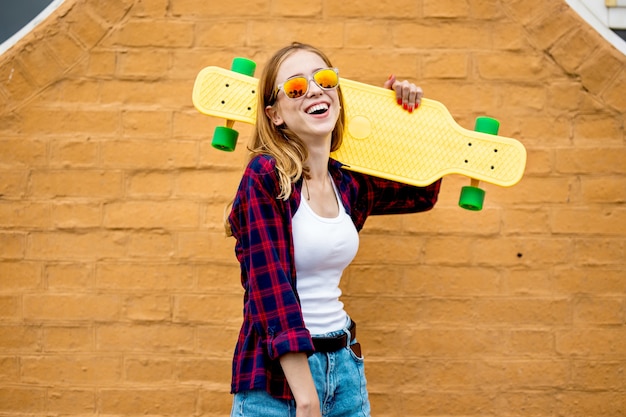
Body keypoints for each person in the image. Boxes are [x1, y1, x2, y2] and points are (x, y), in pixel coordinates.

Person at [226, 42, 441, 417]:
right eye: (295, 87)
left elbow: (422, 193)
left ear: (337, 95)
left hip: (344, 370)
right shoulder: (265, 177)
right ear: (274, 114)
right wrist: (306, 399)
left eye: (324, 79)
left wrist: (403, 120)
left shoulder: (347, 185)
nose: (313, 89)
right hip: (279, 383)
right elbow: (269, 290)